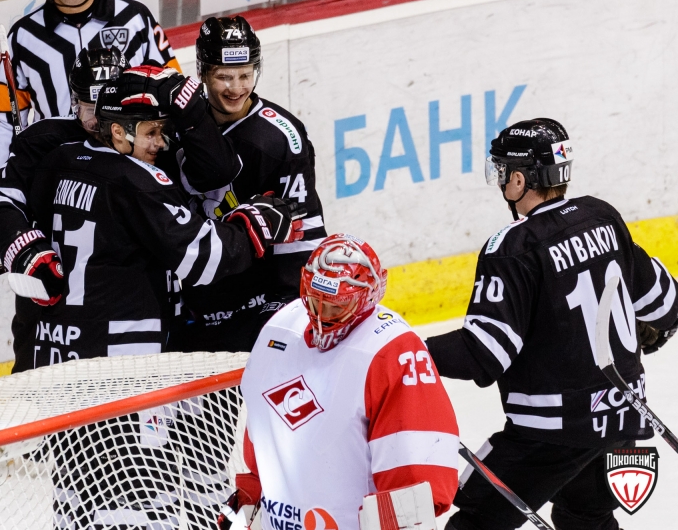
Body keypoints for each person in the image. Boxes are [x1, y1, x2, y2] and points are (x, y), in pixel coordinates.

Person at [424, 118, 678, 530]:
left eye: (504, 171)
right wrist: (657, 331)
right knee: (588, 517)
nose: (502, 181)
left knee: (476, 522)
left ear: (520, 179)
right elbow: (664, 302)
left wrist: (407, 351)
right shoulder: (602, 216)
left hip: (550, 434)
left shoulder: (512, 248)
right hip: (622, 416)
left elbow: (485, 353)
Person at [0, 53, 245, 372]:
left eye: (107, 104)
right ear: (74, 102)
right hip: (51, 330)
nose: (98, 121)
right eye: (91, 108)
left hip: (140, 320)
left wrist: (192, 112)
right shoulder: (48, 141)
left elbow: (218, 173)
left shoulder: (150, 141)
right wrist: (23, 249)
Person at [222, 234, 459, 530]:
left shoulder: (392, 352)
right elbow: (263, 434)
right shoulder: (279, 329)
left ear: (368, 298)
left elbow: (412, 480)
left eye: (335, 307)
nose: (322, 317)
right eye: (315, 301)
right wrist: (247, 503)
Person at [0, 0, 180, 255]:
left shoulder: (136, 18)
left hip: (130, 181)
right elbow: (3, 122)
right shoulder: (22, 36)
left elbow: (172, 96)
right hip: (58, 187)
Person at [176, 16, 327, 353]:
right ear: (201, 72)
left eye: (245, 75)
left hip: (255, 309)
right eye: (223, 77)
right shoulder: (178, 127)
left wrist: (286, 306)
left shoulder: (281, 138)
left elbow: (302, 232)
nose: (236, 88)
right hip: (192, 308)